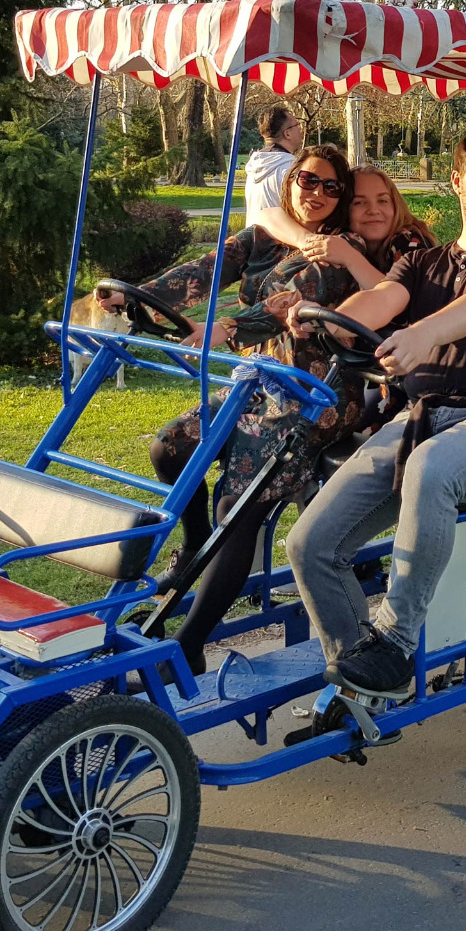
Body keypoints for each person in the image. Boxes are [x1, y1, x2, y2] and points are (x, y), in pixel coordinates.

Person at [285, 127, 466, 701]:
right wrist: (329, 316)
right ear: (457, 180)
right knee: (309, 546)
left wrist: (419, 336)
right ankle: (363, 679)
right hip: (420, 420)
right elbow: (379, 300)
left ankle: (397, 640)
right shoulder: (421, 262)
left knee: (431, 467)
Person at [106, 145, 366, 675]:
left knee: (239, 506)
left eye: (331, 187)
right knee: (170, 448)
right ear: (291, 182)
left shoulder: (338, 250)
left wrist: (225, 328)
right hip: (256, 386)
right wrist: (138, 297)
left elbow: (290, 302)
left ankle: (190, 643)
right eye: (308, 181)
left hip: (314, 395)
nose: (316, 193)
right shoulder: (265, 238)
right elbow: (207, 266)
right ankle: (195, 537)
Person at [255, 164, 435, 292]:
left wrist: (350, 257)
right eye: (359, 202)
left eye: (383, 200)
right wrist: (307, 240)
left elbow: (401, 302)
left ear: (395, 205)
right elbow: (267, 215)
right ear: (344, 210)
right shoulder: (344, 239)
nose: (373, 210)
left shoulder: (409, 241)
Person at [243, 105, 305, 227]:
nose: (301, 129)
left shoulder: (254, 167)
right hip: (281, 242)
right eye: (297, 125)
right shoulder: (291, 169)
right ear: (287, 134)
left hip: (252, 241)